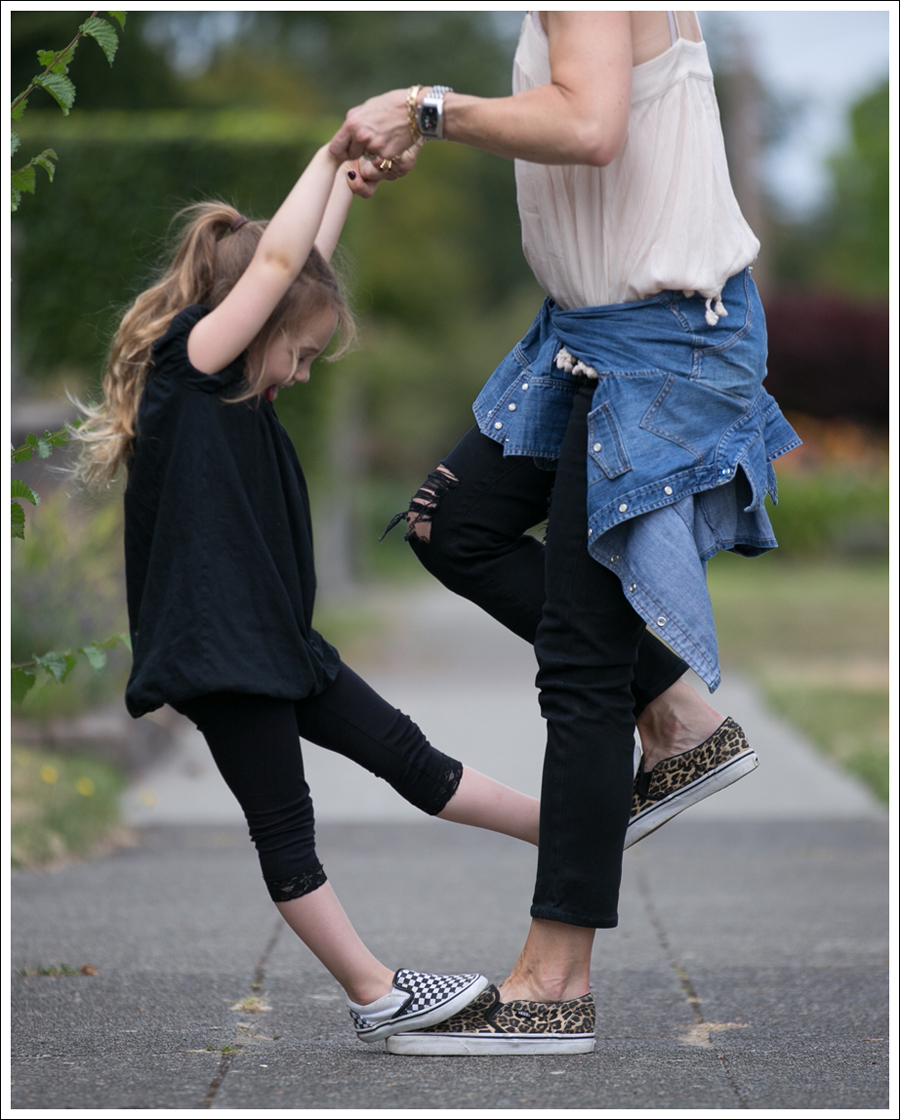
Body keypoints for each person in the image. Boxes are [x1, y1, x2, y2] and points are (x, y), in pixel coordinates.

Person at [330, 10, 800, 1054]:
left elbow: (589, 125)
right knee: (454, 522)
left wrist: (427, 108)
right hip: (587, 328)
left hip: (654, 341)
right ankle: (677, 709)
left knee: (582, 668)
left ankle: (554, 983)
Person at [73, 140, 548, 1046]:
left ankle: (565, 832)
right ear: (251, 329)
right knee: (287, 829)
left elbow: (300, 268)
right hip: (224, 656)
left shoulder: (242, 389)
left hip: (280, 646)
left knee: (409, 755)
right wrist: (331, 146)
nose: (300, 372)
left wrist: (344, 185)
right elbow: (283, 265)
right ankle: (375, 994)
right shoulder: (192, 369)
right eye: (299, 353)